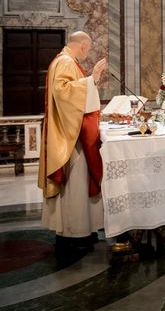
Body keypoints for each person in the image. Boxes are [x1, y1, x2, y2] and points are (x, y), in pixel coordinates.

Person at [38, 31, 107, 254]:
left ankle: (82, 229)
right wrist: (92, 79)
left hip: (73, 132)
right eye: (87, 49)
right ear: (83, 46)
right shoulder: (66, 62)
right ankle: (74, 233)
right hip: (70, 137)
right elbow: (64, 93)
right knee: (74, 184)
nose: (87, 53)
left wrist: (89, 83)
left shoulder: (66, 60)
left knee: (79, 183)